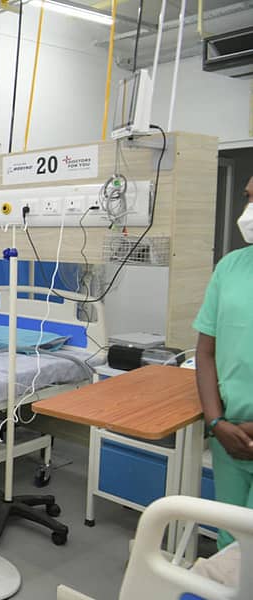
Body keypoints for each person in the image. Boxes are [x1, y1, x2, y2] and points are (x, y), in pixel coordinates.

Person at [194, 175, 253, 550]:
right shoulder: (230, 268)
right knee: (230, 542)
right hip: (228, 434)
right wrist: (216, 422)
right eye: (249, 197)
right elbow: (205, 352)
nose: (248, 210)